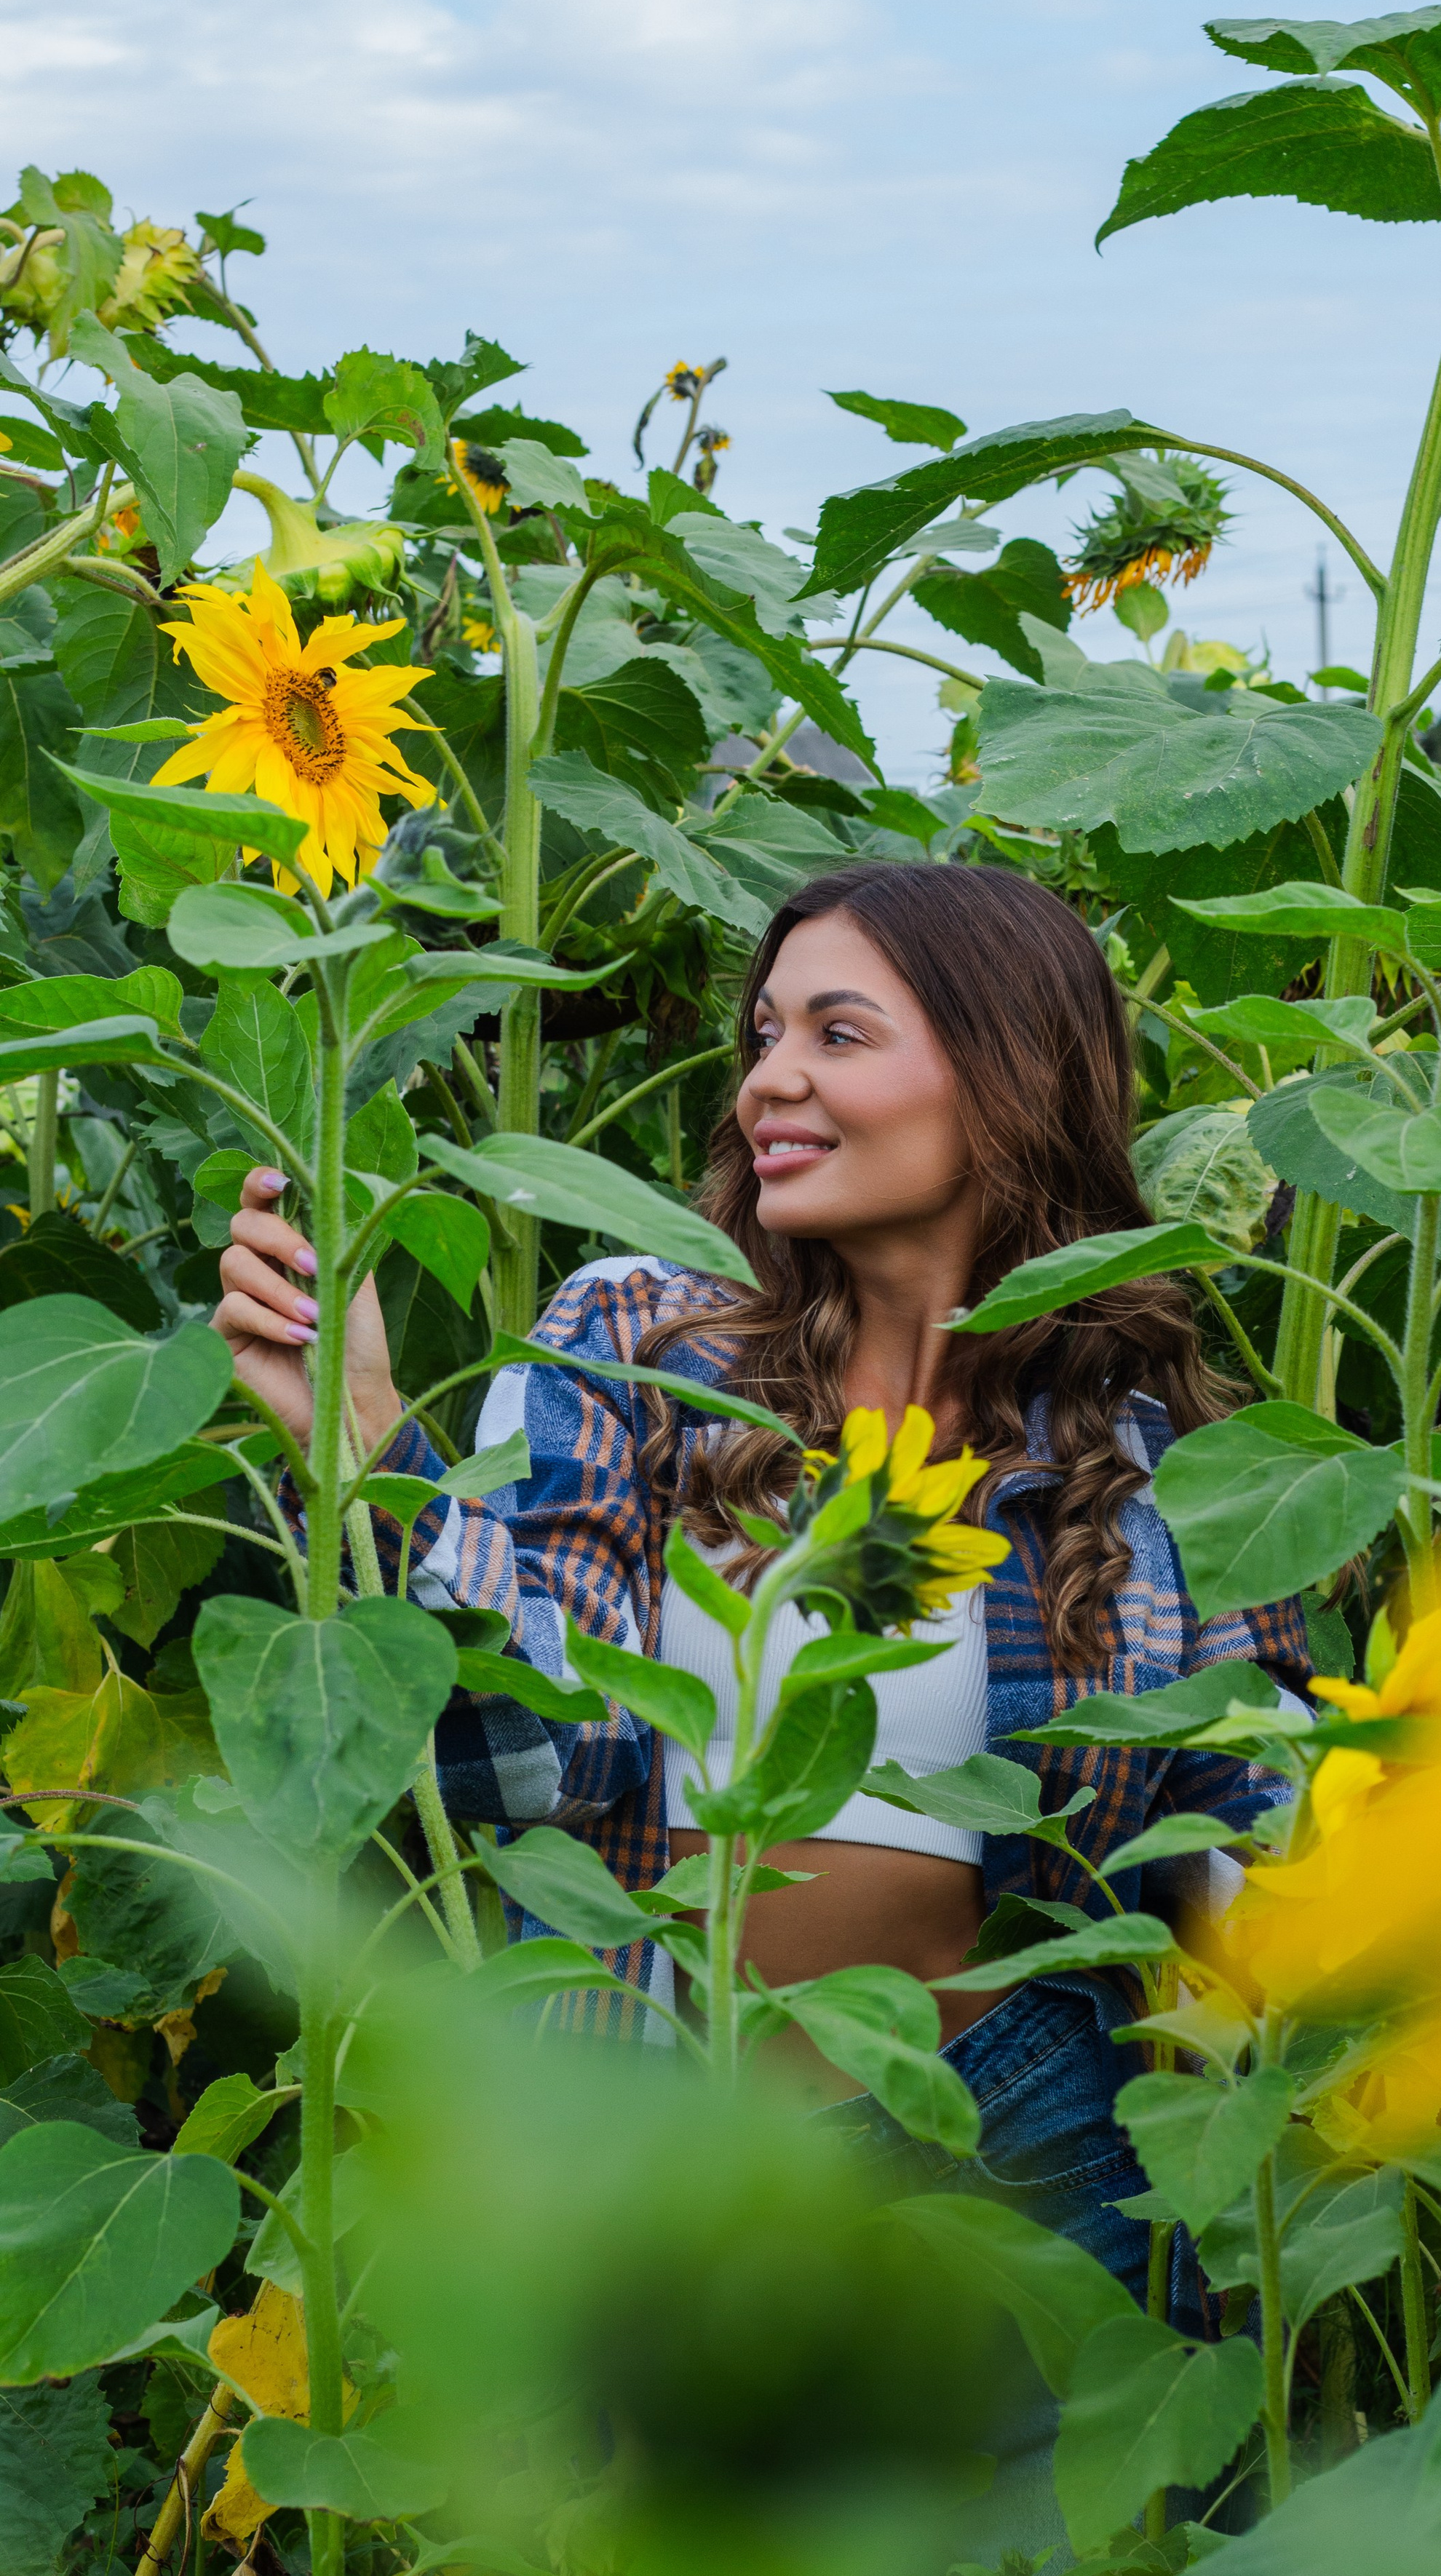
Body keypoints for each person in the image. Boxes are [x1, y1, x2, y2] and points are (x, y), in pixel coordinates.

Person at [214, 860, 1307, 2317]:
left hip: (1024, 2144)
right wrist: (368, 1444)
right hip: (646, 2145)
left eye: (836, 1036)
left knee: (1058, 2556)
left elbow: (1241, 1880)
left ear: (1009, 1075)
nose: (764, 1085)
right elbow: (522, 1751)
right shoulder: (633, 1341)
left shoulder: (1147, 1454)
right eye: (761, 1037)